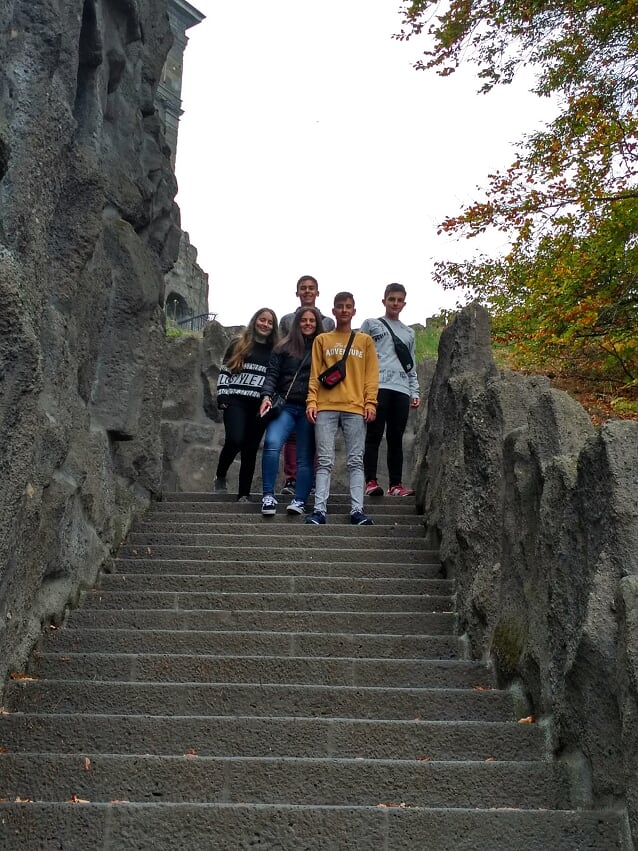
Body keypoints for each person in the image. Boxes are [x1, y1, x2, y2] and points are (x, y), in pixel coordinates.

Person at [305, 292, 378, 526]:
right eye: (340, 306)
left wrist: (370, 402)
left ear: (354, 311)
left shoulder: (365, 341)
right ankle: (319, 510)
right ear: (333, 310)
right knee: (324, 461)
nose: (344, 310)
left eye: (348, 306)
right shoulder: (322, 340)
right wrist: (311, 401)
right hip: (326, 406)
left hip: (355, 407)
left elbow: (371, 376)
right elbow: (315, 374)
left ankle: (357, 510)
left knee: (356, 461)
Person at [258, 307, 323, 517]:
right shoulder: (283, 347)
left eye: (312, 320)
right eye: (303, 320)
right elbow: (272, 374)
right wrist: (266, 396)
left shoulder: (323, 347)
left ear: (317, 323)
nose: (307, 324)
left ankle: (300, 500)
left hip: (309, 407)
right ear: (297, 323)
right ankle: (268, 495)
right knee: (272, 444)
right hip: (285, 405)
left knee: (305, 456)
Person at [360, 283, 420, 497]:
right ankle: (370, 481)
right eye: (392, 299)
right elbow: (358, 355)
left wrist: (415, 391)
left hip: (401, 388)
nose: (395, 303)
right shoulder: (371, 324)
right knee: (374, 434)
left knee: (396, 437)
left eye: (399, 300)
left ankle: (396, 484)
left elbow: (411, 364)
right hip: (377, 386)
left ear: (404, 303)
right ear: (384, 301)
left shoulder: (409, 332)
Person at [214, 307, 278, 502]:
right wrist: (222, 395)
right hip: (236, 400)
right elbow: (226, 370)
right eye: (262, 320)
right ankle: (220, 475)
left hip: (259, 404)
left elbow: (275, 377)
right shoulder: (239, 343)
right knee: (235, 440)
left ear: (273, 327)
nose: (265, 324)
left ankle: (244, 494)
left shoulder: (275, 350)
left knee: (250, 449)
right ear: (255, 320)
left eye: (269, 322)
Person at [278, 275, 335, 495]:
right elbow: (281, 349)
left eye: (311, 288)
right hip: (293, 383)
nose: (307, 291)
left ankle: (311, 480)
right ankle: (291, 480)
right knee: (291, 436)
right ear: (297, 292)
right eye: (303, 288)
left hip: (318, 383)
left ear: (317, 292)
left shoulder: (328, 323)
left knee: (315, 435)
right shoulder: (286, 320)